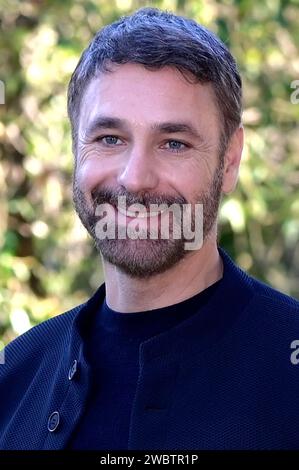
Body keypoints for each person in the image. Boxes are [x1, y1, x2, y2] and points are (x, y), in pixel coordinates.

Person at [0, 7, 298, 451]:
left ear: (230, 161)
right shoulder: (16, 374)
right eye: (109, 139)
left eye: (174, 143)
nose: (135, 179)